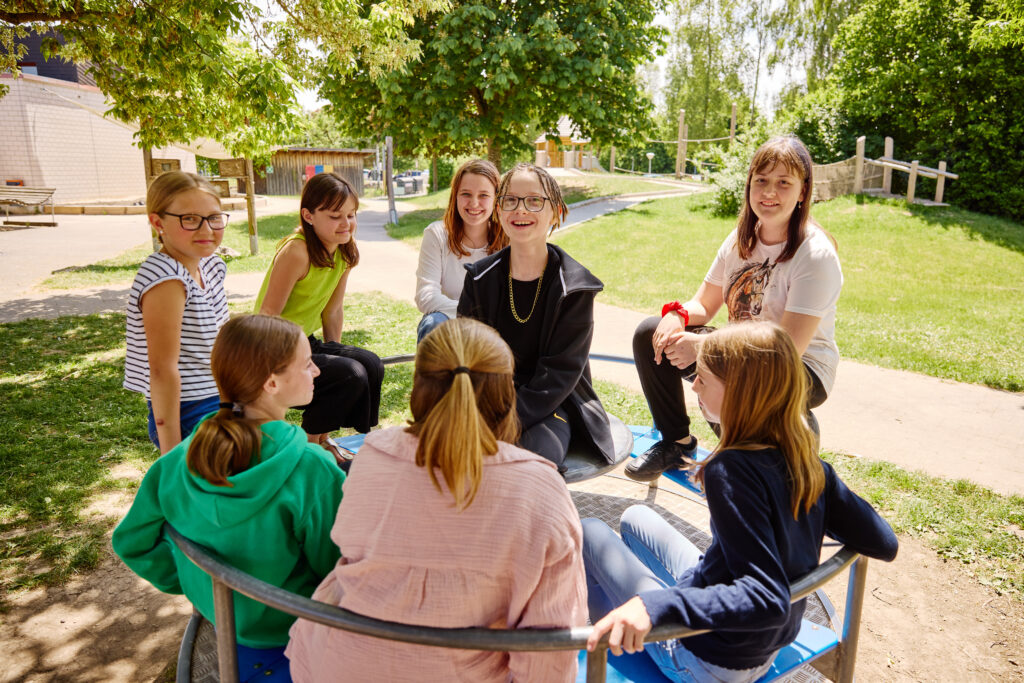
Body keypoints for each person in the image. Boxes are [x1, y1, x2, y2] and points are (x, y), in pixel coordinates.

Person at [583, 322, 898, 683]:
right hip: (767, 639)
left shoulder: (729, 471)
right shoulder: (807, 461)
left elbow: (765, 598)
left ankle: (610, 648)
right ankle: (648, 613)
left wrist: (654, 606)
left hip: (710, 662)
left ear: (740, 394)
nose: (694, 386)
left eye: (703, 378)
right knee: (636, 517)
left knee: (590, 532)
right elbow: (884, 542)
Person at [286, 318, 587, 682]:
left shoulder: (375, 455)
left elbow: (349, 551)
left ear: (418, 385)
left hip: (334, 665)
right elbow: (547, 654)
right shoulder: (540, 487)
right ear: (507, 392)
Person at [113, 314, 346, 683]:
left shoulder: (178, 459)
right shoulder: (311, 469)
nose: (316, 371)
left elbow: (131, 541)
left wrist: (199, 584)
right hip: (295, 635)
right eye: (306, 364)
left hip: (219, 619)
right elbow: (336, 574)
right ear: (271, 382)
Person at [627, 135, 843, 482]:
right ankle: (676, 443)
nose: (769, 192)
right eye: (761, 180)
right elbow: (705, 303)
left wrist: (707, 347)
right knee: (650, 333)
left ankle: (787, 448)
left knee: (726, 372)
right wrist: (677, 315)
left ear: (803, 191)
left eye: (783, 183)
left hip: (801, 368)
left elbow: (785, 348)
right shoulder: (741, 239)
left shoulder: (814, 254)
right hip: (738, 353)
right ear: (749, 185)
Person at [458, 162, 613, 471]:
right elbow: (466, 354)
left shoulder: (575, 287)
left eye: (534, 201)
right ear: (499, 210)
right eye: (511, 200)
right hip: (487, 400)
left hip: (551, 405)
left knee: (528, 463)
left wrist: (504, 420)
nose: (521, 210)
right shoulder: (479, 279)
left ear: (555, 211)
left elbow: (559, 374)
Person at [255, 172, 384, 461]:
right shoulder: (296, 251)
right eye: (335, 216)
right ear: (309, 216)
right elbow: (268, 314)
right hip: (272, 346)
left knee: (369, 365)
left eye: (351, 215)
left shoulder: (344, 253)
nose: (346, 223)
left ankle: (329, 437)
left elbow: (333, 310)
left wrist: (336, 353)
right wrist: (332, 369)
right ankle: (311, 447)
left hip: (306, 342)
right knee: (349, 374)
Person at [124, 171, 230, 453]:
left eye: (214, 217)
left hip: (220, 397)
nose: (207, 230)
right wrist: (170, 453)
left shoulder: (209, 265)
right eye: (190, 219)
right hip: (189, 410)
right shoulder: (167, 279)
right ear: (158, 223)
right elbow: (161, 371)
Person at [415, 159, 508, 343]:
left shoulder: (509, 239)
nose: (474, 203)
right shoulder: (437, 234)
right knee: (433, 323)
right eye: (466, 194)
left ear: (496, 199)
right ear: (455, 196)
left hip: (497, 327)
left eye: (483, 195)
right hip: (450, 323)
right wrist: (473, 318)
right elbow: (425, 295)